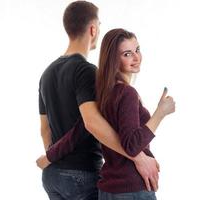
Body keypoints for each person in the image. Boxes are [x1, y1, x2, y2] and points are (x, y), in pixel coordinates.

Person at [37, 1, 161, 200]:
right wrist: (139, 157)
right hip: (82, 174)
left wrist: (53, 159)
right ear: (93, 29)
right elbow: (91, 122)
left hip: (52, 176)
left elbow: (45, 130)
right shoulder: (86, 71)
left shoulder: (47, 74)